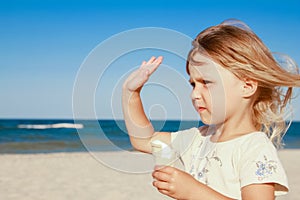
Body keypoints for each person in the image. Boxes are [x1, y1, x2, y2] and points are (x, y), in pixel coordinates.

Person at [122, 19, 300, 199]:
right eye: (193, 84)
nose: (194, 94)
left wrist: (193, 191)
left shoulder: (253, 148)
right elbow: (143, 141)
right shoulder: (197, 139)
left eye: (206, 83)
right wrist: (131, 92)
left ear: (247, 86)